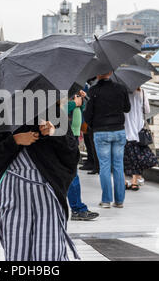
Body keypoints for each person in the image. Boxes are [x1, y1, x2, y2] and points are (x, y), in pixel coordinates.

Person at [0, 110, 81, 261]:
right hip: (13, 199)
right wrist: (15, 140)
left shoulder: (54, 114)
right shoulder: (3, 115)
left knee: (49, 254)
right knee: (17, 254)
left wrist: (54, 133)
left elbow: (72, 155)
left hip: (48, 198)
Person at [84, 71, 131, 208]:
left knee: (104, 165)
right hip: (119, 130)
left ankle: (106, 200)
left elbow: (88, 114)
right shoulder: (121, 88)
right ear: (110, 72)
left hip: (101, 131)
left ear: (98, 74)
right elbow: (127, 108)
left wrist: (94, 125)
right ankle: (120, 200)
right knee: (118, 165)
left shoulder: (93, 91)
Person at [66, 91, 99, 221]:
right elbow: (54, 110)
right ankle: (78, 209)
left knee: (71, 173)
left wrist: (82, 99)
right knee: (72, 173)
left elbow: (83, 108)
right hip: (64, 135)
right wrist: (73, 103)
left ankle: (77, 208)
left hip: (72, 135)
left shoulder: (71, 86)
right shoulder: (57, 87)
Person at [123, 88, 158, 191]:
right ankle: (134, 182)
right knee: (136, 156)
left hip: (125, 128)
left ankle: (123, 181)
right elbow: (147, 110)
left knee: (123, 157)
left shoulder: (122, 91)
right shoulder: (142, 92)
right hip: (138, 129)